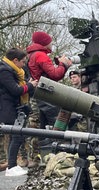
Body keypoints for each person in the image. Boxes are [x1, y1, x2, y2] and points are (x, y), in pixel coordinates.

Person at [25, 31, 73, 167]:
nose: (51, 44)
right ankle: (61, 156)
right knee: (58, 122)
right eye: (50, 42)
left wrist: (60, 66)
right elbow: (55, 75)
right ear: (44, 43)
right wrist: (63, 65)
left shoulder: (32, 55)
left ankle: (39, 157)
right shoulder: (41, 55)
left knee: (42, 126)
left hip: (39, 93)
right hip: (47, 93)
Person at [0, 48, 39, 176]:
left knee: (17, 135)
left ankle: (12, 165)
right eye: (22, 62)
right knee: (16, 135)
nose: (24, 64)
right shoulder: (4, 71)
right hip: (7, 108)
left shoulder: (15, 71)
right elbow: (15, 90)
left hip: (13, 107)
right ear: (15, 60)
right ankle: (11, 166)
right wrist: (30, 85)